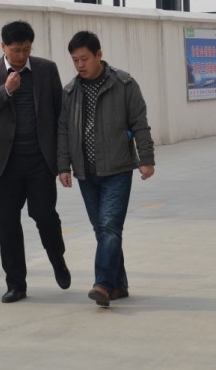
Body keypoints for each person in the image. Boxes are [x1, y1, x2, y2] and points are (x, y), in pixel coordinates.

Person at [0, 21, 69, 304]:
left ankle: (57, 258)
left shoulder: (46, 69)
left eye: (26, 50)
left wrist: (63, 161)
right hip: (6, 163)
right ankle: (15, 284)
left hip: (40, 161)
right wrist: (6, 90)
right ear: (3, 46)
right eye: (16, 50)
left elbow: (60, 114)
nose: (21, 56)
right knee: (8, 224)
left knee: (45, 216)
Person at [57, 31, 155, 308]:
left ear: (99, 55)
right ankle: (118, 285)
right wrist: (63, 166)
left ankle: (102, 284)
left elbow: (139, 123)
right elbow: (63, 130)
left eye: (84, 59)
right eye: (75, 60)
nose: (80, 65)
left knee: (110, 226)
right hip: (86, 172)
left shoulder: (123, 84)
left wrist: (146, 158)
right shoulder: (70, 91)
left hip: (117, 168)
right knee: (102, 230)